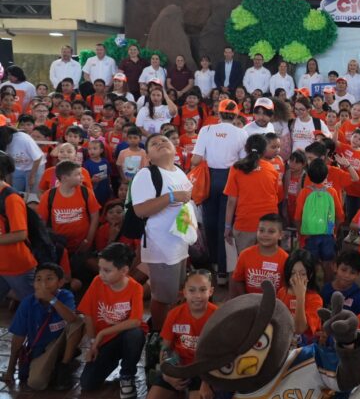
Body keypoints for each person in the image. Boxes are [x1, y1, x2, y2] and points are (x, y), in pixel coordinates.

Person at [131, 134, 193, 331]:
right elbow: (140, 210)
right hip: (161, 244)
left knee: (175, 292)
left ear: (174, 148)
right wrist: (171, 196)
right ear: (148, 156)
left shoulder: (179, 172)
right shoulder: (146, 174)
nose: (160, 144)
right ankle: (158, 335)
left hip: (179, 242)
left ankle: (171, 330)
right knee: (162, 297)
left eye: (164, 141)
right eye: (154, 144)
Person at [79, 243, 146, 398]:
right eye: (100, 268)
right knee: (87, 383)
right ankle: (112, 360)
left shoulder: (135, 288)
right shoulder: (97, 281)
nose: (101, 274)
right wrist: (93, 343)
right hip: (105, 342)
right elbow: (88, 314)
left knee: (135, 334)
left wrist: (102, 333)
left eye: (107, 270)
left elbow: (135, 321)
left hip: (125, 338)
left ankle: (127, 375)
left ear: (124, 271)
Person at [191, 99, 247, 284]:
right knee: (226, 225)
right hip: (231, 178)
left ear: (219, 113)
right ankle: (224, 270)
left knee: (209, 222)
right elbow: (243, 162)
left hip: (209, 178)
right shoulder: (242, 133)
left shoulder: (206, 130)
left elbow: (196, 159)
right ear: (236, 115)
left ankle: (214, 264)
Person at [3, 263, 82, 391]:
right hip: (40, 348)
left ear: (60, 282)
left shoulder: (65, 295)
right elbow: (18, 337)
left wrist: (51, 299)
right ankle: (58, 363)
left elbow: (72, 319)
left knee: (79, 321)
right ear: (33, 284)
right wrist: (10, 370)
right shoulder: (27, 303)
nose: (43, 283)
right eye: (38, 279)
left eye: (49, 278)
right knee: (36, 382)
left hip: (61, 342)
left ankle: (65, 364)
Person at [147, 270, 217, 399]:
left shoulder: (217, 316)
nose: (197, 295)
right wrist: (167, 374)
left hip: (204, 371)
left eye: (203, 290)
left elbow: (220, 355)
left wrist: (206, 383)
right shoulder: (174, 314)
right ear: (184, 292)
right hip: (178, 367)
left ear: (211, 291)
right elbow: (165, 348)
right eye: (192, 290)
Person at [224, 134, 280, 253]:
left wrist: (227, 226)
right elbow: (276, 196)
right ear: (264, 150)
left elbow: (231, 201)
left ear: (246, 148)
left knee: (245, 260)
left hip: (245, 224)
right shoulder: (272, 169)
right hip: (269, 225)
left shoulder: (236, 168)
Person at [295, 158, 343, 281]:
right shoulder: (331, 191)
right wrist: (334, 231)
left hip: (309, 235)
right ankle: (327, 287)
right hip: (327, 234)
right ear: (326, 175)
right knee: (328, 264)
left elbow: (297, 216)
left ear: (309, 175)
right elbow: (339, 216)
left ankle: (311, 286)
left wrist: (300, 233)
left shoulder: (304, 192)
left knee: (310, 264)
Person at [0, 151, 36, 303]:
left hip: (16, 266)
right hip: (3, 264)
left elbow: (20, 234)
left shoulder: (11, 198)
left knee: (33, 306)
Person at [276, 249, 324, 345]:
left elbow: (299, 329)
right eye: (293, 273)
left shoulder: (315, 299)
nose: (296, 278)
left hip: (306, 348)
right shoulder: (282, 292)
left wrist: (300, 296)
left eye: (302, 274)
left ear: (310, 275)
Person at [0, 126, 44, 196]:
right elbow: (6, 164)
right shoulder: (3, 145)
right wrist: (8, 184)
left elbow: (38, 158)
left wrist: (32, 176)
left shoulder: (23, 139)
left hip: (34, 166)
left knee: (32, 194)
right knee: (16, 191)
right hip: (18, 168)